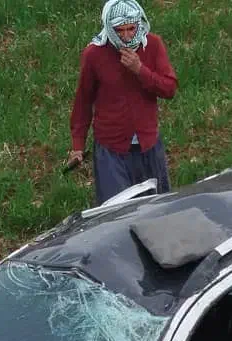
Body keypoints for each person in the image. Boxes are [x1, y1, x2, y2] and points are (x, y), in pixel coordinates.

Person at [68, 0, 178, 205]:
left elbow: (169, 88)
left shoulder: (152, 46)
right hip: (112, 150)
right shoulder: (94, 54)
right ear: (109, 28)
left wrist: (140, 70)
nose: (127, 36)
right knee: (116, 212)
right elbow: (83, 100)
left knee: (156, 209)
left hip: (148, 147)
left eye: (131, 29)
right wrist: (78, 145)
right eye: (120, 31)